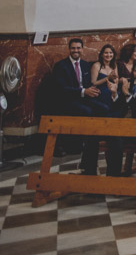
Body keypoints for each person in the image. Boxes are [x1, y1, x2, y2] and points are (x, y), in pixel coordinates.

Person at [51, 38, 106, 173]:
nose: (76, 50)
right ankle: (87, 142)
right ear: (69, 49)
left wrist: (92, 90)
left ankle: (98, 139)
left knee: (105, 108)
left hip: (85, 98)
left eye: (78, 48)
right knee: (88, 112)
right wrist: (83, 91)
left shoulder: (86, 65)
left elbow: (89, 83)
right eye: (73, 48)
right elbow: (62, 89)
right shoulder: (61, 66)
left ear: (82, 49)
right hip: (69, 101)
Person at [90, 44, 119, 112]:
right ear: (102, 54)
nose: (108, 55)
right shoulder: (96, 65)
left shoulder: (114, 65)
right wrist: (108, 78)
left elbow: (116, 80)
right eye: (106, 53)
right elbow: (93, 83)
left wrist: (115, 81)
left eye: (110, 53)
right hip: (100, 92)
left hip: (112, 91)